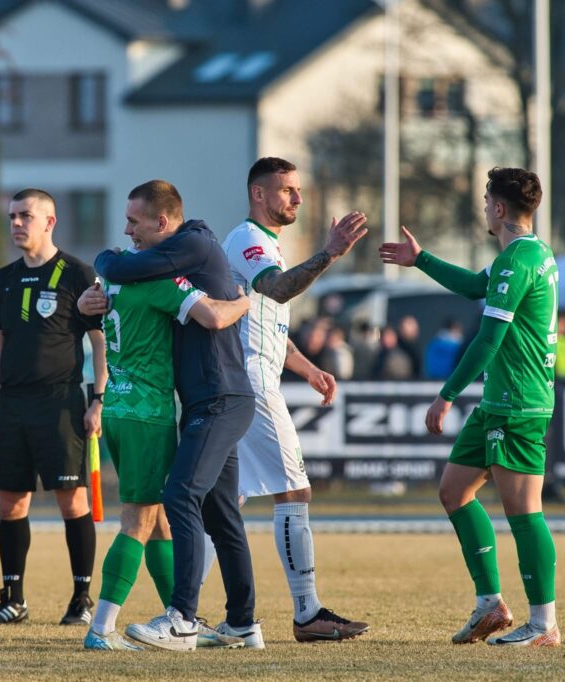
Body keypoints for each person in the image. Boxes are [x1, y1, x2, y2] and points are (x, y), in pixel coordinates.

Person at [379, 166, 561, 646]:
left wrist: (446, 395)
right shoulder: (531, 253)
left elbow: (488, 339)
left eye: (485, 202)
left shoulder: (517, 261)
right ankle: (490, 604)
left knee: (524, 512)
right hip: (498, 401)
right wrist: (421, 259)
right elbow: (473, 286)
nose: (484, 209)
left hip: (517, 402)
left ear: (498, 208)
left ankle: (544, 624)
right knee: (454, 491)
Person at [81, 179, 256, 652]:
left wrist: (88, 291)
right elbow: (213, 317)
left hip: (117, 405)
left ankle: (205, 621)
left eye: (133, 222)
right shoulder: (161, 281)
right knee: (141, 517)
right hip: (148, 411)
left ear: (161, 223)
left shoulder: (113, 278)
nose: (127, 231)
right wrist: (246, 300)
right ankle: (104, 628)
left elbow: (98, 288)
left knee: (163, 519)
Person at [212, 156, 369, 643]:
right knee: (294, 490)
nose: (297, 198)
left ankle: (181, 611)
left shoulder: (264, 243)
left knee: (222, 500)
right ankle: (307, 613)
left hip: (245, 380)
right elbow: (277, 291)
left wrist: (308, 368)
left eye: (298, 189)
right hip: (251, 384)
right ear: (258, 194)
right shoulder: (249, 239)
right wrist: (330, 254)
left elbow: (268, 323)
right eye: (287, 190)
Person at [0, 189, 106, 626]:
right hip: (12, 405)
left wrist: (98, 399)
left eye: (25, 216)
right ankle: (13, 599)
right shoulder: (4, 279)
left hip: (60, 403)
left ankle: (81, 599)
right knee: (10, 503)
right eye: (12, 216)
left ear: (50, 222)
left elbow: (101, 342)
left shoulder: (77, 274)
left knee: (72, 501)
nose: (16, 223)